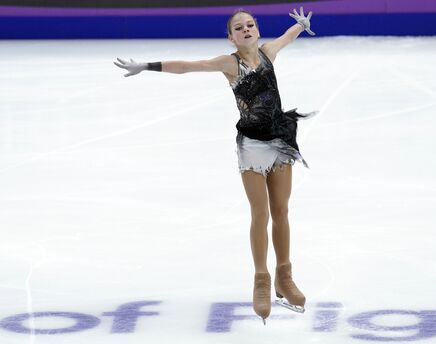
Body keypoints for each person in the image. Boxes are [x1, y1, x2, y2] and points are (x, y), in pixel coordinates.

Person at [114, 6, 316, 325]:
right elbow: (188, 66)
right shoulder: (229, 63)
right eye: (239, 27)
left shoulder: (267, 52)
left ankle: (284, 276)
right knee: (260, 213)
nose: (246, 29)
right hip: (251, 146)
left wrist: (300, 27)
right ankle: (261, 280)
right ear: (230, 37)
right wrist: (147, 66)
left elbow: (286, 37)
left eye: (250, 24)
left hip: (279, 139)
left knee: (281, 210)